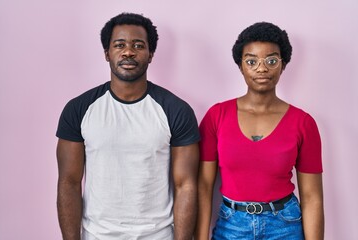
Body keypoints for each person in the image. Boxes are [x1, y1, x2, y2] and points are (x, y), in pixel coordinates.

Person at [56, 12, 200, 240]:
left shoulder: (176, 110)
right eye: (119, 45)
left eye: (138, 45)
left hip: (158, 235)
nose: (128, 52)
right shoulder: (79, 109)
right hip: (97, 236)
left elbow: (186, 185)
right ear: (107, 53)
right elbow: (69, 183)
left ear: (151, 54)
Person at [195, 22, 324, 240]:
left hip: (285, 226)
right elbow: (204, 187)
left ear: (283, 65)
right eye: (252, 61)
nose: (261, 68)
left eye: (271, 60)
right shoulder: (216, 116)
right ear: (241, 66)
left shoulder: (303, 123)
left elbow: (312, 197)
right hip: (231, 226)